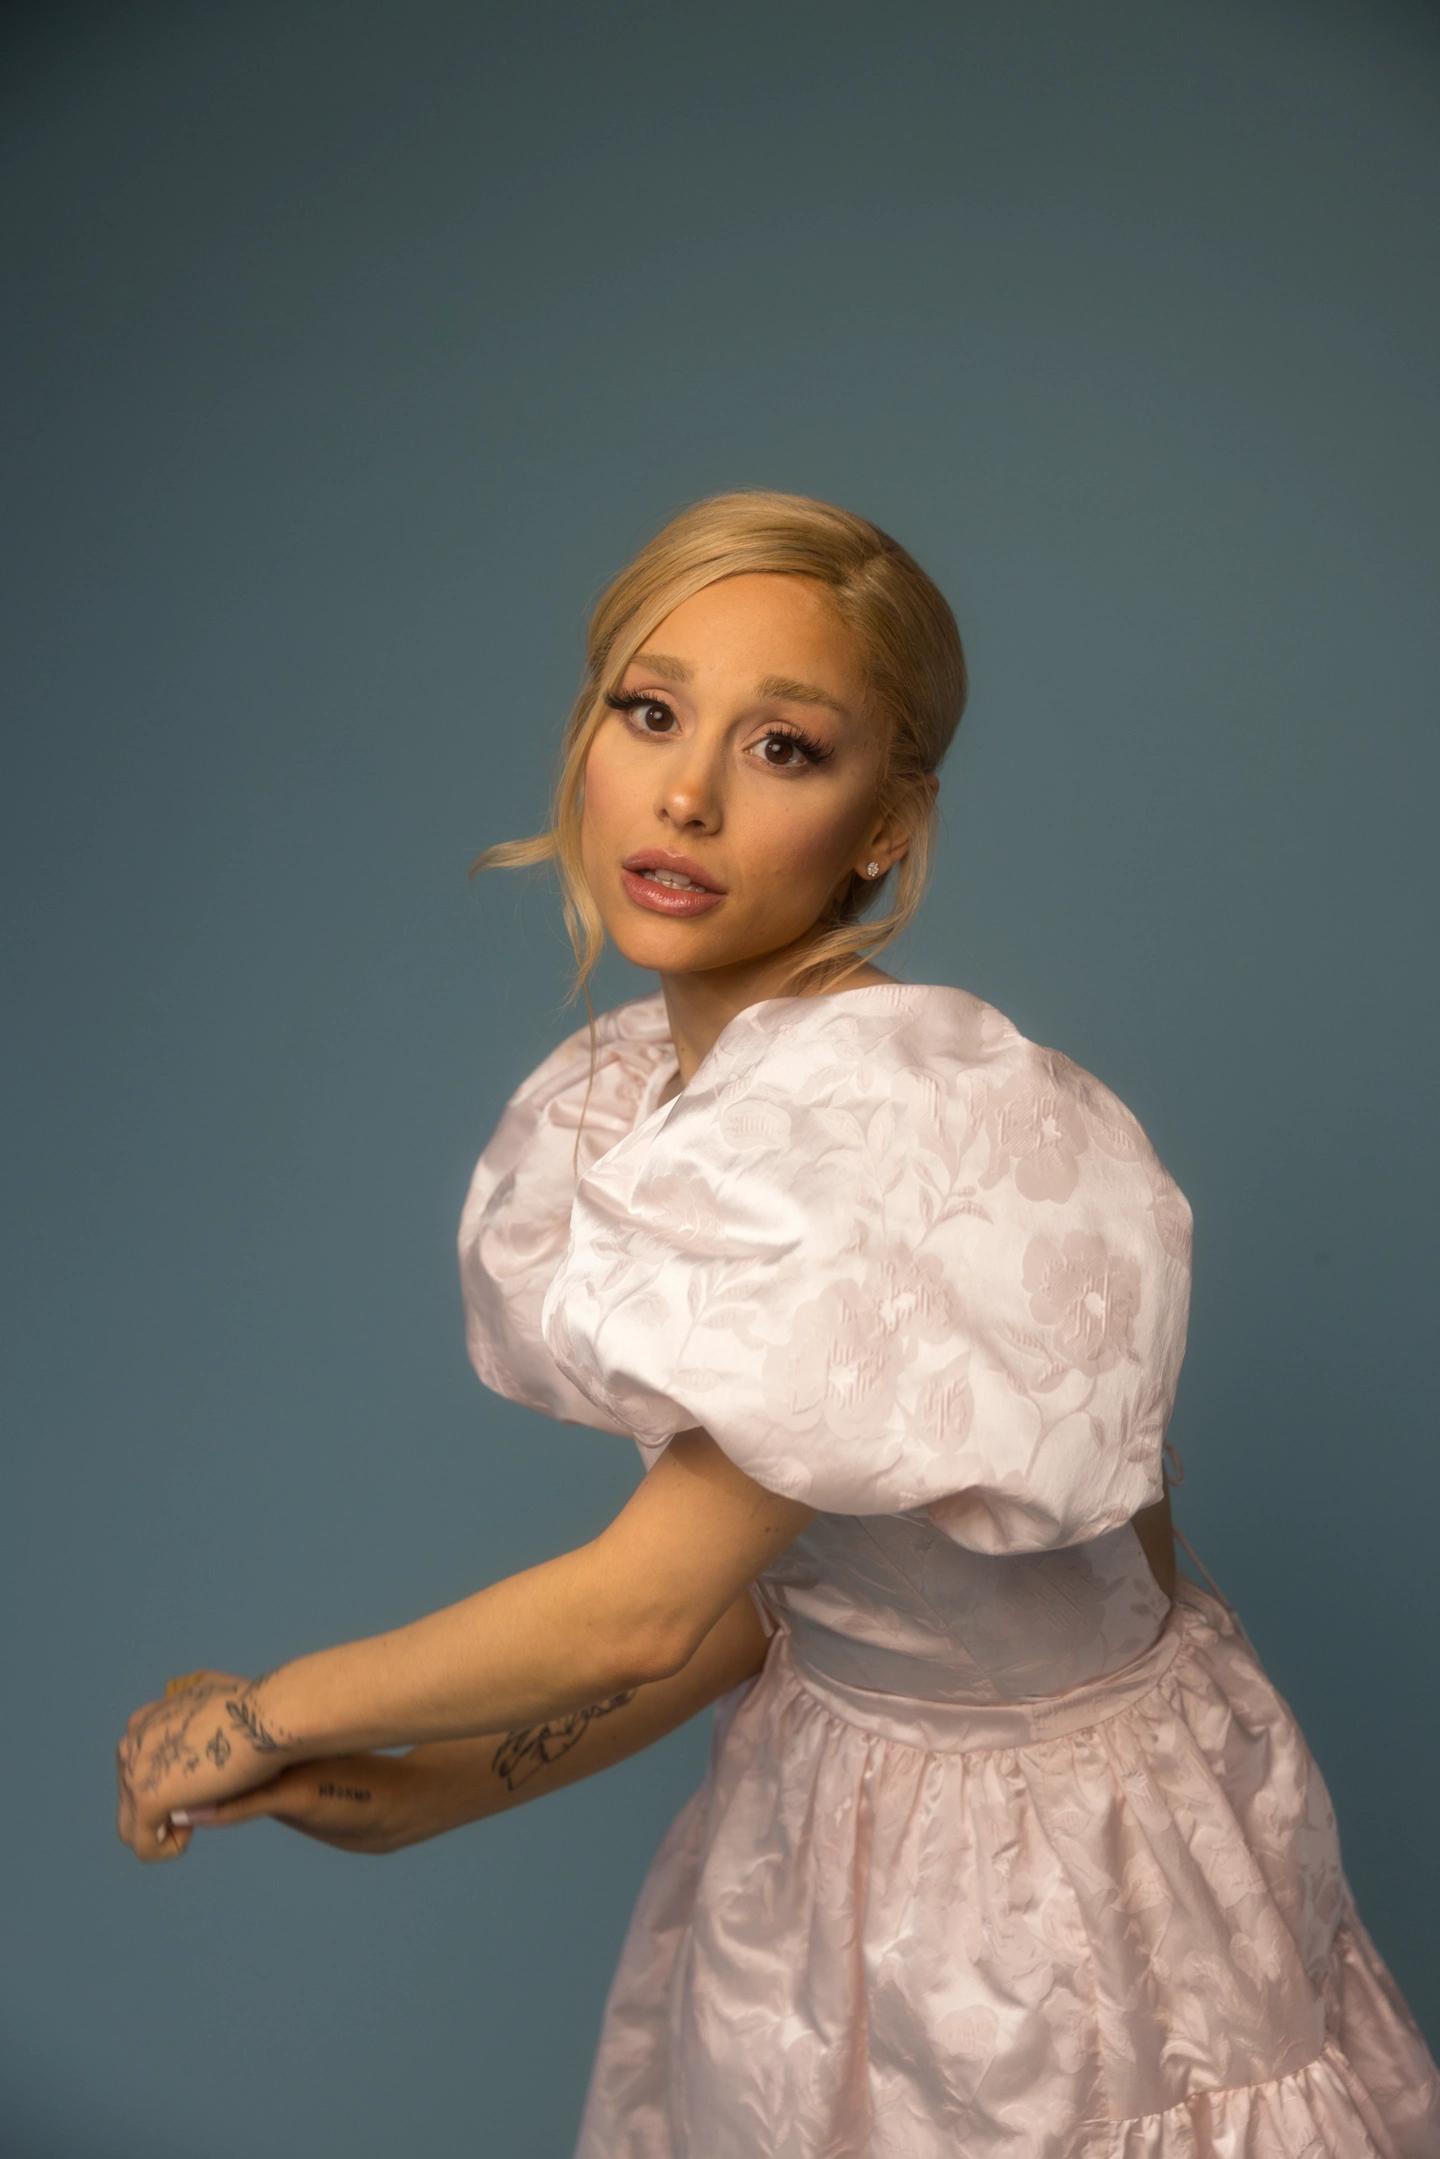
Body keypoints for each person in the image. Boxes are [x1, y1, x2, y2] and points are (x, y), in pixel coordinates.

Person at [118, 489, 1439, 2156]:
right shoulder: (682, 1100)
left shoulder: (892, 1122)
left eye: (784, 748)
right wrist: (437, 1788)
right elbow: (781, 1596)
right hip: (843, 1816)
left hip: (1041, 1888)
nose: (686, 795)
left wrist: (264, 1710)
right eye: (650, 713)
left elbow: (636, 1610)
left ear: (887, 824)